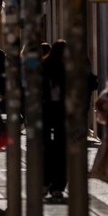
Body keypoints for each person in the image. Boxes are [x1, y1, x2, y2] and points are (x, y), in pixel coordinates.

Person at [41, 40, 67, 199]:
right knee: (61, 150)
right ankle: (57, 185)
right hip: (59, 112)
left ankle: (46, 182)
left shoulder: (43, 66)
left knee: (47, 148)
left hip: (47, 112)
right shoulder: (66, 68)